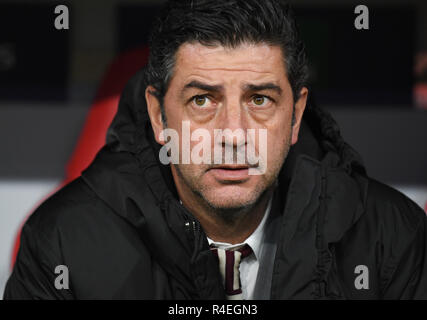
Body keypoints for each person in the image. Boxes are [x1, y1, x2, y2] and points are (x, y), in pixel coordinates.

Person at [4, 0, 427, 300]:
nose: (233, 134)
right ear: (157, 115)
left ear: (296, 115)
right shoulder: (63, 243)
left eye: (260, 99)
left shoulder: (390, 238)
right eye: (202, 100)